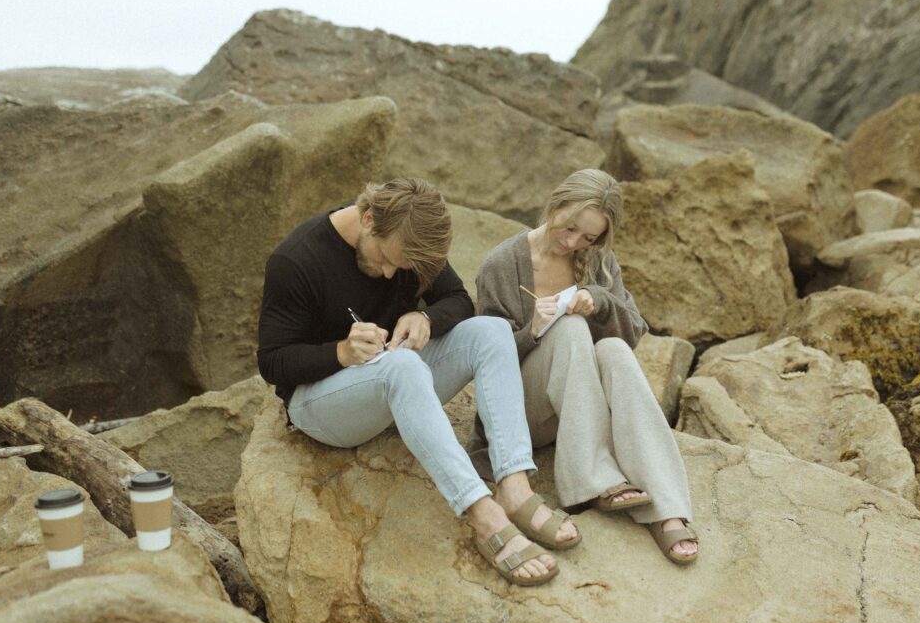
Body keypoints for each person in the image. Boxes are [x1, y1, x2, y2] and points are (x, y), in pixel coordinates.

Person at [256, 177, 581, 586]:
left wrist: (425, 318)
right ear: (369, 218)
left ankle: (514, 488)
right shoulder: (296, 260)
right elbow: (272, 362)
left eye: (402, 268)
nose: (390, 273)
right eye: (386, 259)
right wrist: (339, 351)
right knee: (405, 368)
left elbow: (459, 300)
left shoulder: (412, 240)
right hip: (320, 404)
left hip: (394, 383)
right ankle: (483, 515)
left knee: (492, 330)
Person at [472, 168, 698, 564]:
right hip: (524, 412)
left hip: (579, 412)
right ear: (555, 204)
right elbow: (484, 362)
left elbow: (632, 334)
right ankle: (592, 479)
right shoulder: (502, 264)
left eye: (587, 237)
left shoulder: (598, 262)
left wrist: (600, 300)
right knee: (571, 329)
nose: (573, 242)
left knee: (612, 349)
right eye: (569, 227)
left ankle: (666, 506)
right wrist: (534, 331)